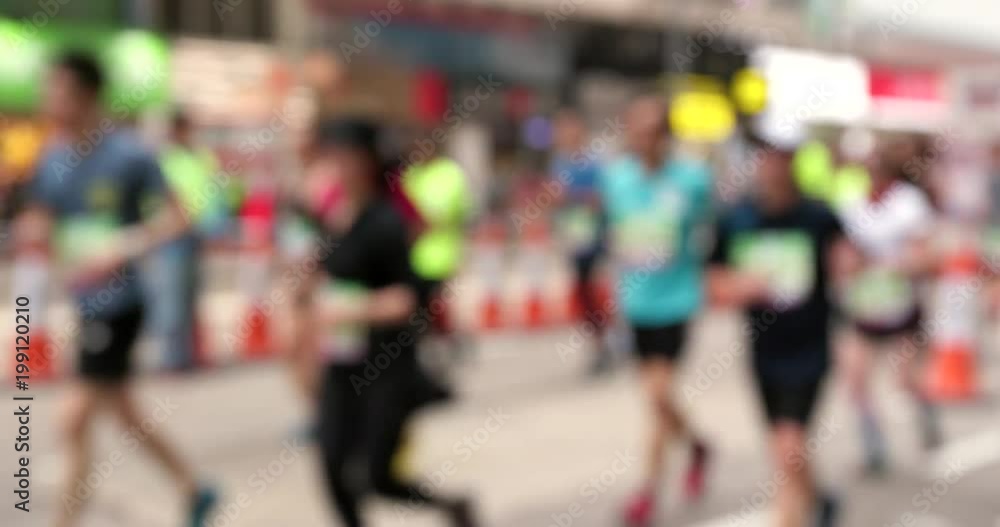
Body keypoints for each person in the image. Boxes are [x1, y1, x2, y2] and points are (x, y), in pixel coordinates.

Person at [16, 52, 216, 527]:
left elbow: (179, 216)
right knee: (123, 413)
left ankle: (64, 520)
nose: (49, 101)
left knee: (74, 417)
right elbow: (42, 214)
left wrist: (124, 246)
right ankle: (193, 486)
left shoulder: (130, 155)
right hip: (84, 301)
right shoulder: (54, 156)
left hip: (120, 303)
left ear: (87, 95)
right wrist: (34, 230)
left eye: (58, 91)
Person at [288, 118, 476, 527]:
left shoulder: (387, 221)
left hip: (386, 365)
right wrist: (305, 287)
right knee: (333, 466)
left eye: (342, 156)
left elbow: (407, 300)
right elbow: (326, 274)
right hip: (341, 361)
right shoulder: (337, 217)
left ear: (366, 161)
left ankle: (452, 507)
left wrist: (348, 310)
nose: (334, 165)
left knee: (378, 476)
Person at [707, 130, 848, 527]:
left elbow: (846, 263)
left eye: (784, 158)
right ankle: (822, 499)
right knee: (788, 447)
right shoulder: (736, 218)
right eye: (767, 157)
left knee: (786, 450)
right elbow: (713, 281)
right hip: (764, 351)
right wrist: (740, 286)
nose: (774, 167)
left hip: (811, 347)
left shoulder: (819, 216)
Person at [599, 96, 712, 526]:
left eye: (653, 132)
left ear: (667, 135)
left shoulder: (693, 180)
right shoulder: (617, 180)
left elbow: (710, 233)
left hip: (677, 301)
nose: (645, 140)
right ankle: (699, 446)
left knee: (658, 398)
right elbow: (617, 240)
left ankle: (646, 493)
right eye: (637, 131)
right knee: (658, 401)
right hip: (635, 305)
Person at [838, 146, 943, 476]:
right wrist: (850, 266)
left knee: (906, 380)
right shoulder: (852, 204)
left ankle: (926, 413)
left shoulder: (909, 204)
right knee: (855, 378)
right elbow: (843, 255)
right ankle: (874, 446)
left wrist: (895, 266)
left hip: (903, 308)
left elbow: (927, 258)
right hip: (864, 307)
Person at [152, 110, 224, 371]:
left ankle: (189, 354)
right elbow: (161, 197)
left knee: (192, 295)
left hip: (197, 233)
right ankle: (173, 358)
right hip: (173, 236)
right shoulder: (163, 159)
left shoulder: (201, 157)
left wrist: (214, 227)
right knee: (172, 296)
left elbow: (213, 193)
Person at [549, 109, 611, 375]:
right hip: (572, 239)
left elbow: (600, 200)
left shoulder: (594, 164)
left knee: (596, 291)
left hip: (595, 239)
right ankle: (598, 343)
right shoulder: (559, 164)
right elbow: (554, 199)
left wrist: (573, 198)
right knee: (583, 293)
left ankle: (606, 342)